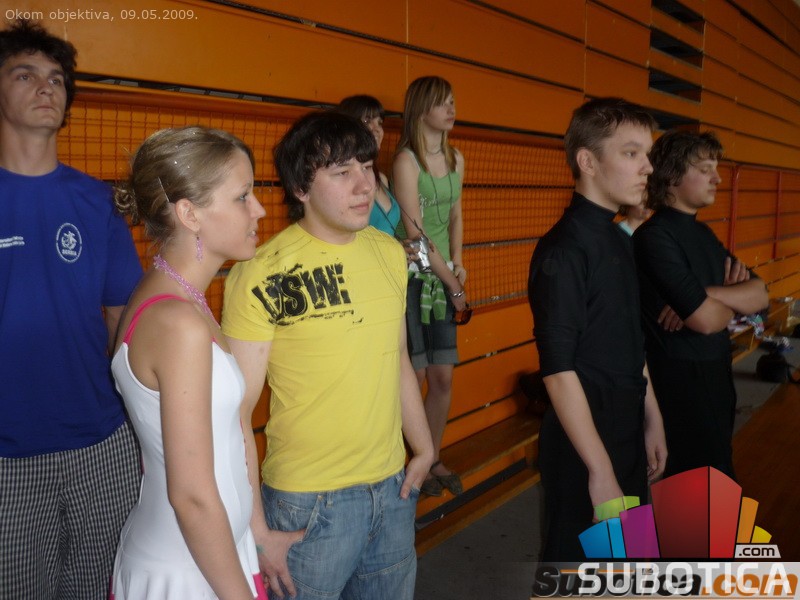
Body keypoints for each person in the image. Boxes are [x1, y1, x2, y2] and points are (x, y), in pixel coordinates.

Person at [222, 111, 434, 600]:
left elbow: (398, 358)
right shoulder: (262, 273)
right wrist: (258, 531)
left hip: (393, 489)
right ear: (301, 188)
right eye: (342, 173)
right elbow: (235, 414)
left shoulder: (388, 253)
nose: (364, 185)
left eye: (367, 166)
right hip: (307, 505)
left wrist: (424, 449)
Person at [0, 20, 142, 599]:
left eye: (56, 79)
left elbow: (121, 323)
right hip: (8, 457)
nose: (46, 87)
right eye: (25, 75)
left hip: (101, 443)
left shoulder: (98, 202)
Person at [109, 126, 267, 599]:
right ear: (189, 214)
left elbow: (229, 436)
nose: (259, 209)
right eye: (243, 196)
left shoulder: (182, 298)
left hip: (213, 554)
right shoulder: (178, 323)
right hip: (188, 570)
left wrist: (256, 533)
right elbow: (193, 497)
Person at [527, 97, 667, 562]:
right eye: (631, 153)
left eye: (647, 153)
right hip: (583, 446)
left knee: (628, 573)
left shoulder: (617, 238)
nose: (647, 167)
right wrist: (600, 469)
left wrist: (652, 417)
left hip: (626, 431)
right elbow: (557, 371)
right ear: (588, 162)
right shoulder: (563, 251)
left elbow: (629, 342)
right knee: (579, 577)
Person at [633, 130, 768, 479]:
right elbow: (706, 321)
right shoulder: (654, 237)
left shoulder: (703, 234)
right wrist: (727, 300)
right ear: (672, 176)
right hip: (680, 382)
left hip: (716, 372)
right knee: (699, 485)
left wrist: (708, 294)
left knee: (714, 480)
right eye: (706, 169)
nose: (717, 178)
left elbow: (761, 295)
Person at [392, 75, 467, 497]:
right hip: (414, 280)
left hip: (445, 276)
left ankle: (433, 457)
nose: (451, 109)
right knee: (415, 376)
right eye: (443, 102)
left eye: (453, 101)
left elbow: (456, 215)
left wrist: (459, 264)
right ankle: (410, 463)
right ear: (422, 109)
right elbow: (415, 235)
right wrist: (452, 283)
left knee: (442, 378)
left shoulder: (457, 158)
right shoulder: (406, 162)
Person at [337, 94, 401, 236]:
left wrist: (400, 245)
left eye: (379, 123)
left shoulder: (381, 179)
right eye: (367, 121)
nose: (377, 129)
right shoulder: (341, 181)